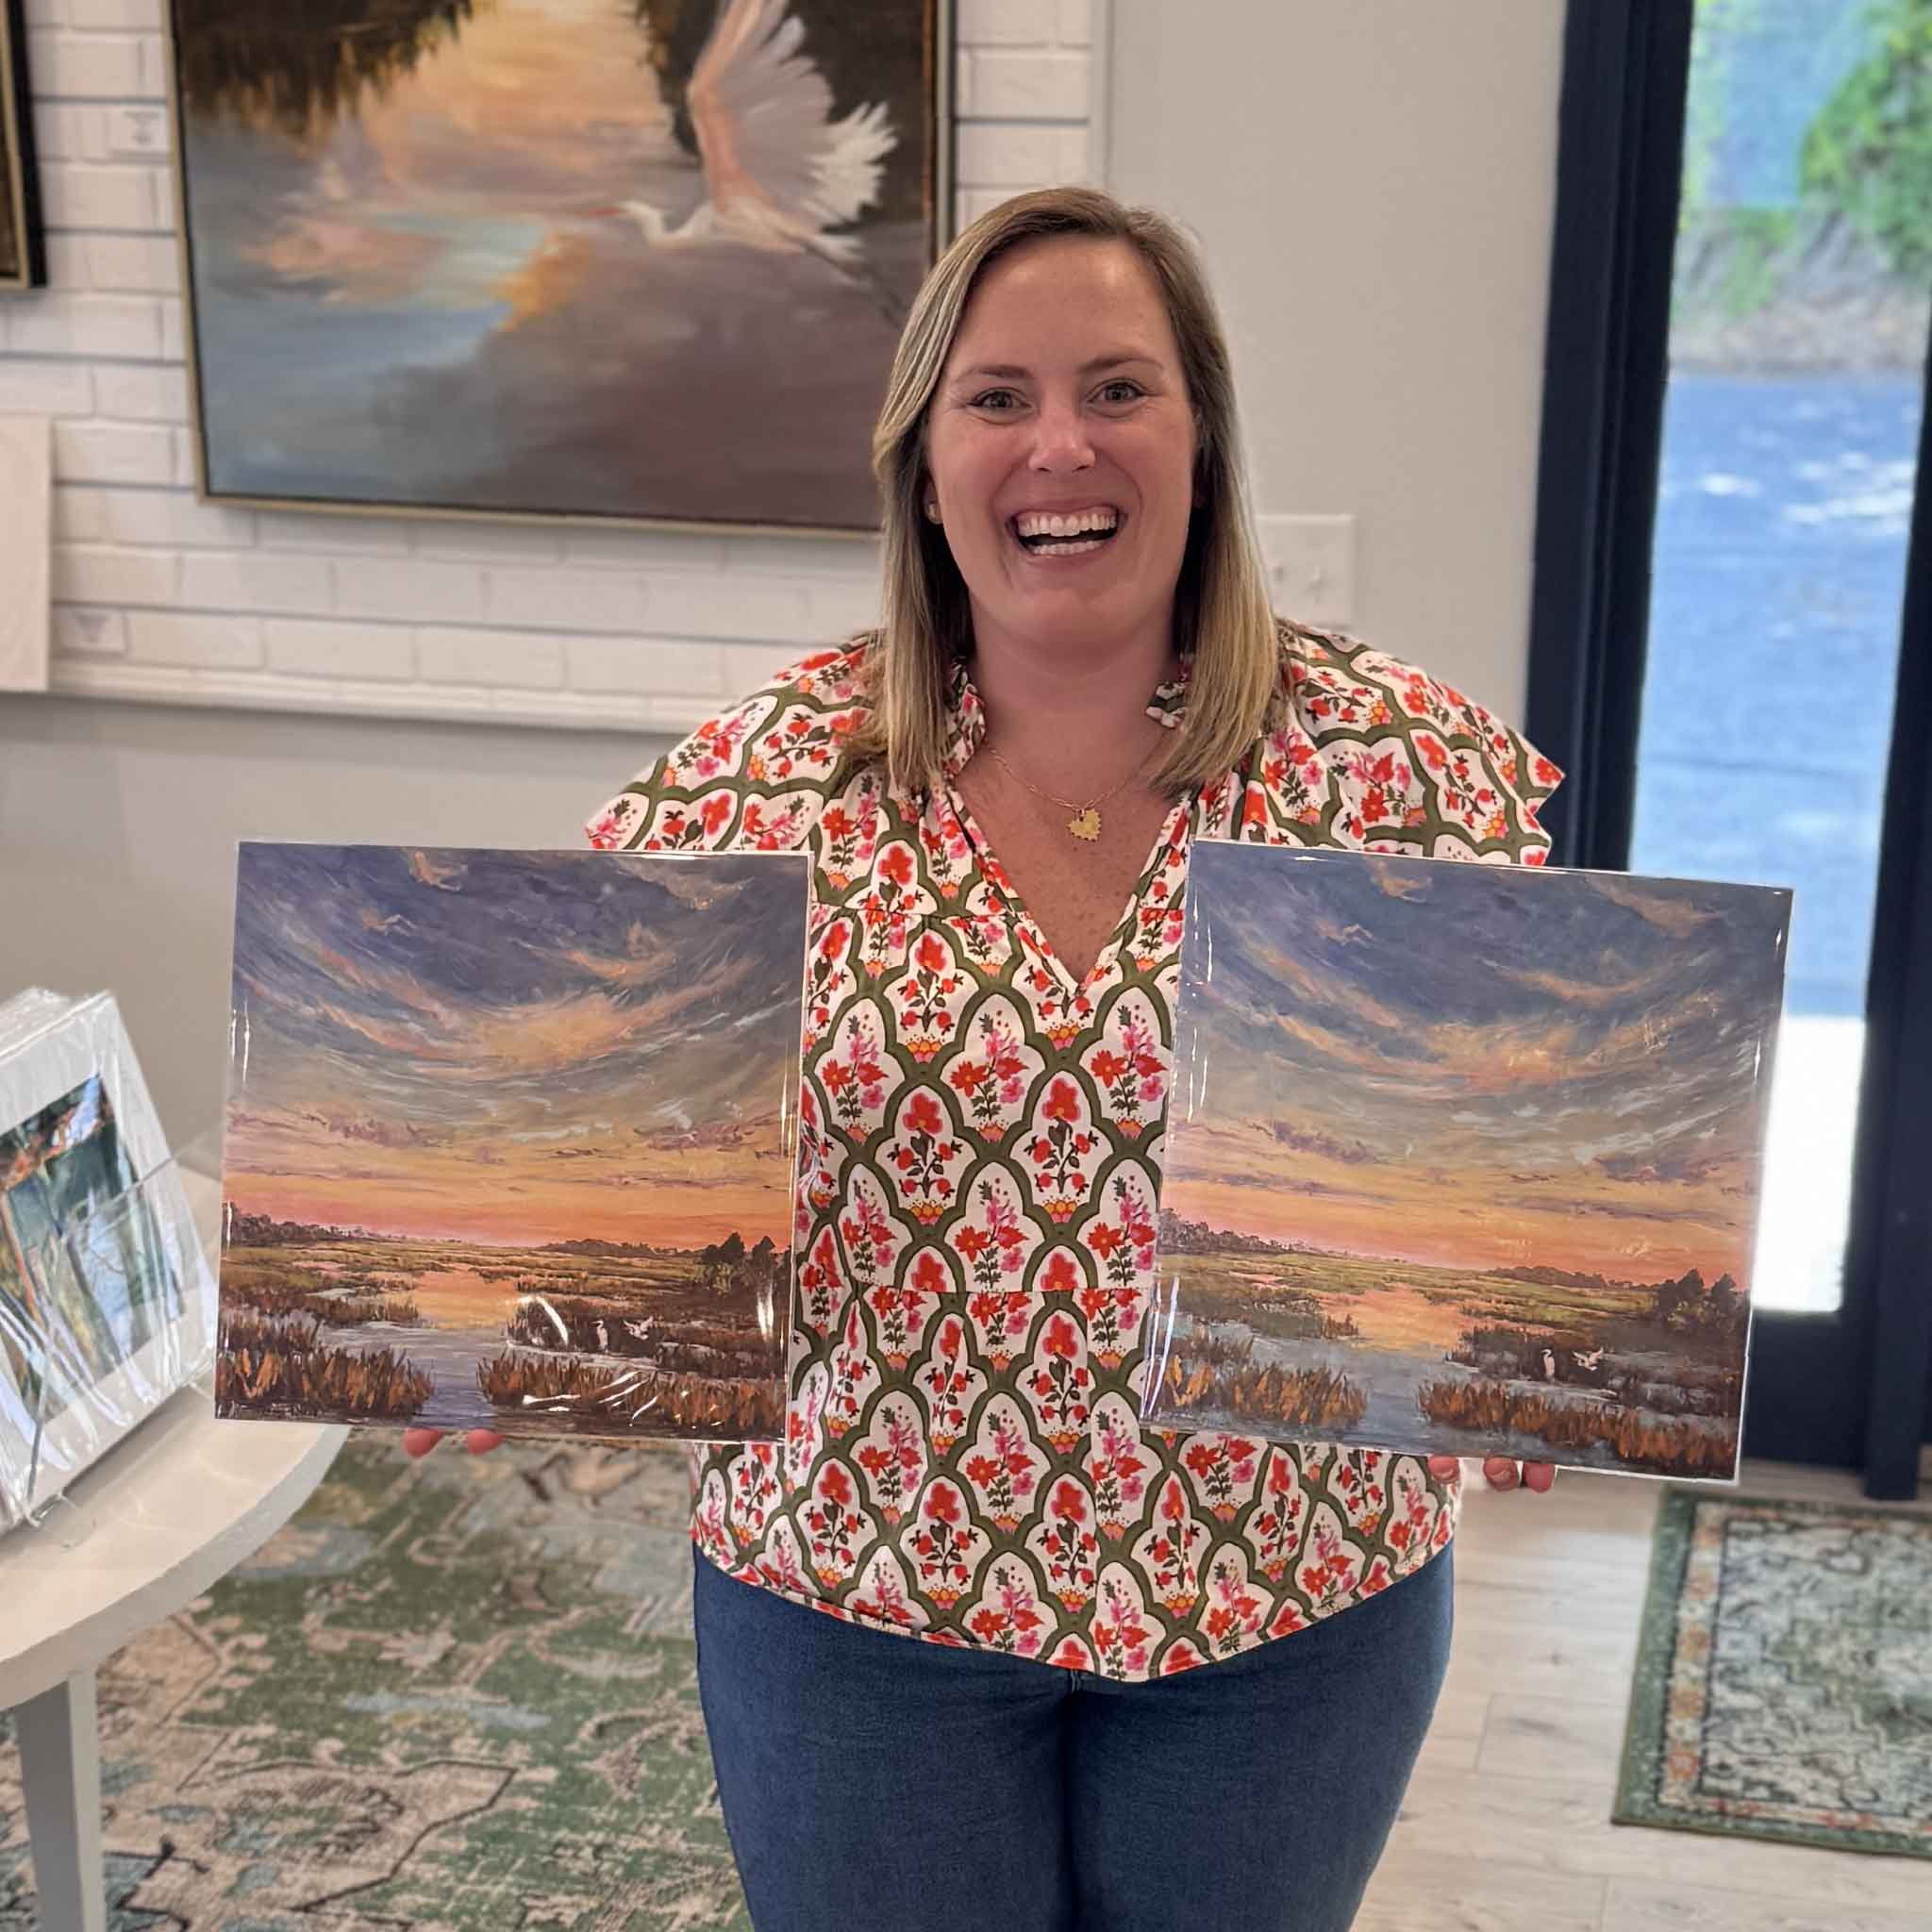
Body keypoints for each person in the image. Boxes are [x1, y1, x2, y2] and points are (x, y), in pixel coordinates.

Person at [406, 186, 1561, 1931]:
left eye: (1119, 388)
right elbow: (590, 1111)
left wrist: (1553, 1326)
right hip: (850, 1608)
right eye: (998, 398)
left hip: (1289, 1609)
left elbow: (1533, 1127)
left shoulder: (1402, 767)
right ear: (925, 461)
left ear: (1204, 438)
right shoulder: (757, 785)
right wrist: (509, 1314)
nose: (1060, 446)